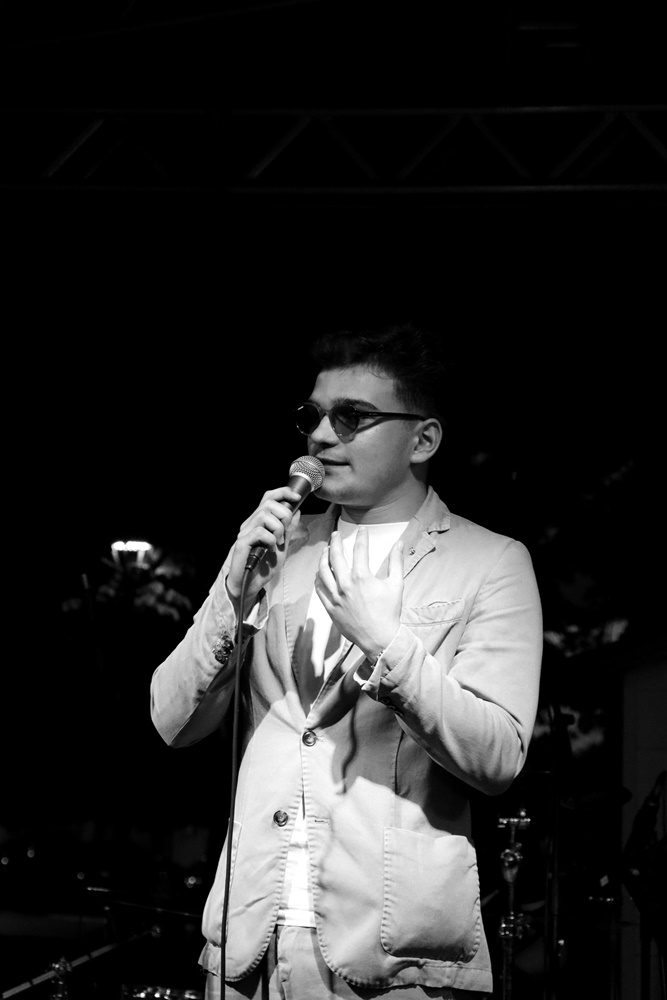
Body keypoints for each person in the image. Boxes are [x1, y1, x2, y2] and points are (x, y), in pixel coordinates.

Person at [150, 324, 543, 999]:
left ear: (423, 440)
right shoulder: (278, 549)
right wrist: (230, 593)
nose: (321, 436)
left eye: (351, 417)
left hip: (392, 955)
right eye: (312, 416)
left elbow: (497, 757)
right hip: (249, 941)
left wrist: (387, 646)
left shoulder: (490, 562)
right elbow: (170, 721)